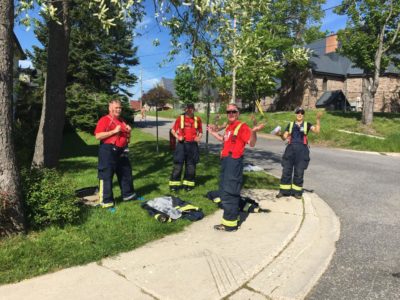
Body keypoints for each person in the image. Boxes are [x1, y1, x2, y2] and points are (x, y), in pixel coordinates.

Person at [207, 103, 265, 232]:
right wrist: (212, 133)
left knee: (231, 191)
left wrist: (254, 132)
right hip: (226, 161)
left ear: (238, 113)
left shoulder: (242, 126)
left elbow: (252, 143)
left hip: (234, 162)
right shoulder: (229, 126)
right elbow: (224, 139)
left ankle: (230, 224)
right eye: (228, 112)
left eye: (233, 111)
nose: (231, 114)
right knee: (224, 189)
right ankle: (229, 217)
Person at [94, 99, 137, 208]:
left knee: (125, 172)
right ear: (110, 108)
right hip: (108, 151)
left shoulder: (122, 121)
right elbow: (98, 136)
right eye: (116, 107)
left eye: (120, 108)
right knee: (106, 175)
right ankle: (106, 202)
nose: (118, 110)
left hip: (122, 150)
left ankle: (128, 195)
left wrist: (129, 132)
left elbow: (127, 140)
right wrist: (113, 131)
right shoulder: (104, 120)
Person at [275, 107, 322, 199]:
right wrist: (279, 134)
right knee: (286, 171)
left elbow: (317, 131)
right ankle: (283, 191)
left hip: (302, 150)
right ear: (296, 114)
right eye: (298, 112)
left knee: (299, 172)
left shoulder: (307, 124)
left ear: (303, 115)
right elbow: (284, 137)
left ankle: (297, 192)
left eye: (302, 113)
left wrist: (318, 120)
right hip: (290, 149)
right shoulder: (291, 125)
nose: (300, 114)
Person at [169, 103, 203, 191]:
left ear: (194, 109)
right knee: (178, 165)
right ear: (185, 109)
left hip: (192, 145)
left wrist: (198, 137)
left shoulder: (197, 119)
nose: (189, 110)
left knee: (191, 166)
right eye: (188, 108)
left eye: (191, 108)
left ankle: (188, 185)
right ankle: (174, 185)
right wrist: (178, 137)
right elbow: (173, 130)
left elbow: (200, 131)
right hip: (182, 144)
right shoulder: (180, 118)